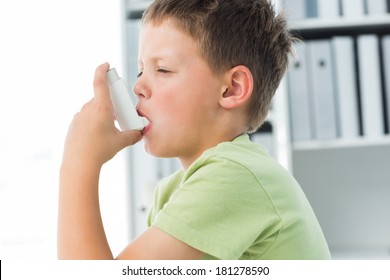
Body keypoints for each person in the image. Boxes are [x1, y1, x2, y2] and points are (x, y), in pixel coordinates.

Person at [58, 0, 331, 260]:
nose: (137, 87)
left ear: (232, 88)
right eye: (141, 71)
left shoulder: (234, 175)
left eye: (162, 69)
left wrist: (78, 164)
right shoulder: (173, 192)